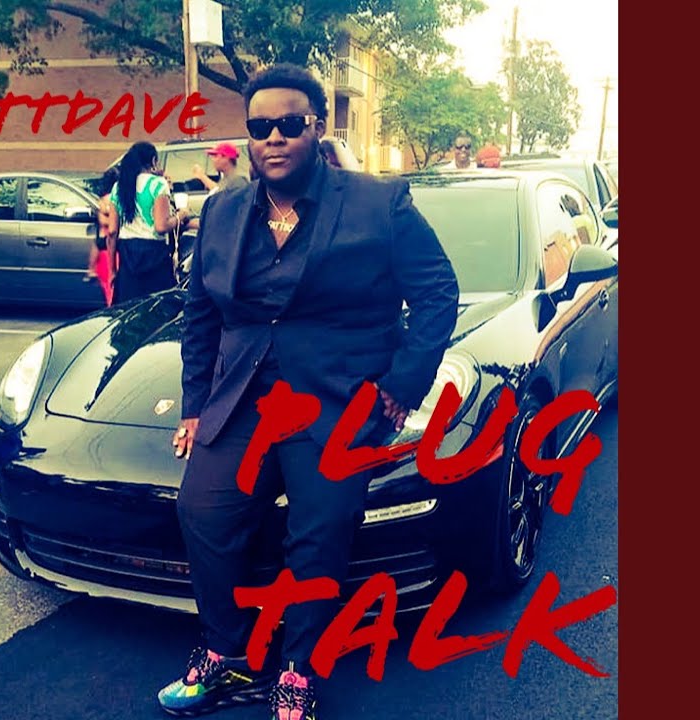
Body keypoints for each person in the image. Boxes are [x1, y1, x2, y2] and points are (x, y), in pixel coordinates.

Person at [159, 63, 459, 720]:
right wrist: (194, 405)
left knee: (319, 532)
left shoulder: (379, 203)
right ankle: (227, 653)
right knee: (203, 512)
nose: (274, 137)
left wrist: (403, 384)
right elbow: (201, 313)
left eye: (289, 124)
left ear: (316, 128)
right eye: (260, 125)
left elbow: (438, 292)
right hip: (243, 399)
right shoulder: (223, 210)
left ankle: (298, 668)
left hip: (336, 401)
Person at [108, 141, 191, 304]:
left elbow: (112, 232)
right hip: (155, 255)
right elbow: (161, 226)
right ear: (153, 160)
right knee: (156, 308)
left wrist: (112, 269)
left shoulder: (118, 187)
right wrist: (181, 215)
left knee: (128, 309)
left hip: (127, 256)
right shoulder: (157, 184)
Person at [92, 167, 120, 306]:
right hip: (115, 247)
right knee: (114, 285)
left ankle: (111, 307)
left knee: (109, 286)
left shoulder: (102, 201)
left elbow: (102, 221)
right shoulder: (118, 198)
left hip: (105, 248)